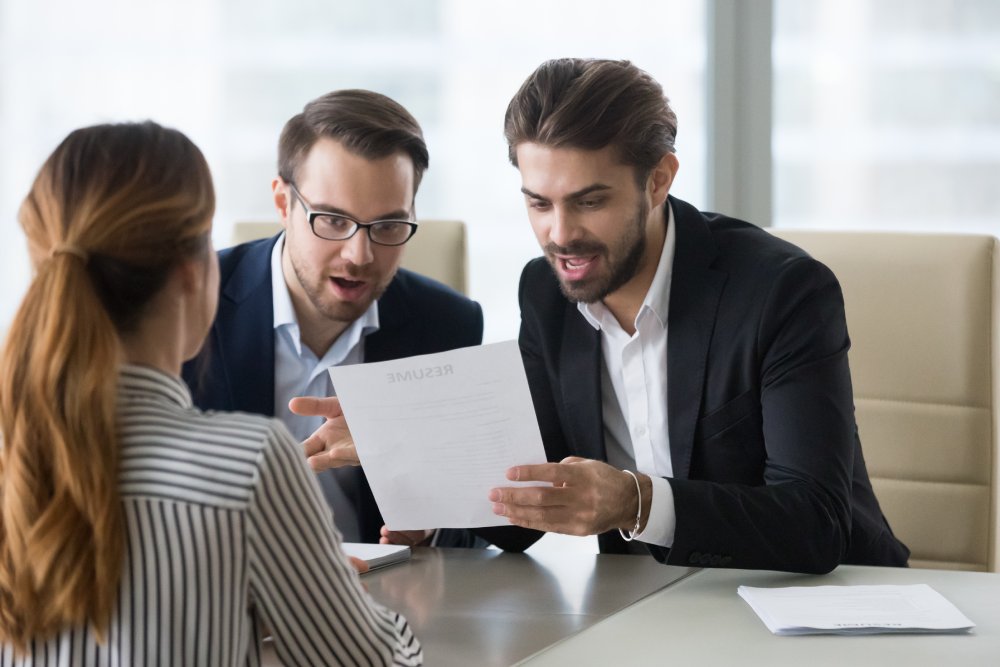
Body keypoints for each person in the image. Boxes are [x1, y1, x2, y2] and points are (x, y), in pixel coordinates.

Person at [0, 121, 422, 665]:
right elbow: (375, 662)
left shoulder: (16, 448)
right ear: (192, 272)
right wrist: (328, 592)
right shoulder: (250, 463)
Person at [487, 58, 910, 574]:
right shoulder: (545, 292)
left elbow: (814, 523)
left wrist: (635, 502)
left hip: (822, 606)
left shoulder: (782, 291)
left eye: (590, 201)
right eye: (539, 204)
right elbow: (530, 489)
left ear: (659, 180)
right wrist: (424, 510)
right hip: (644, 608)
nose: (560, 234)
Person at [182, 90, 483, 547]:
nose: (359, 256)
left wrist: (427, 527)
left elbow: (476, 522)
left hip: (378, 601)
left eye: (387, 226)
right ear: (284, 204)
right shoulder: (191, 303)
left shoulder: (447, 326)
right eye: (333, 221)